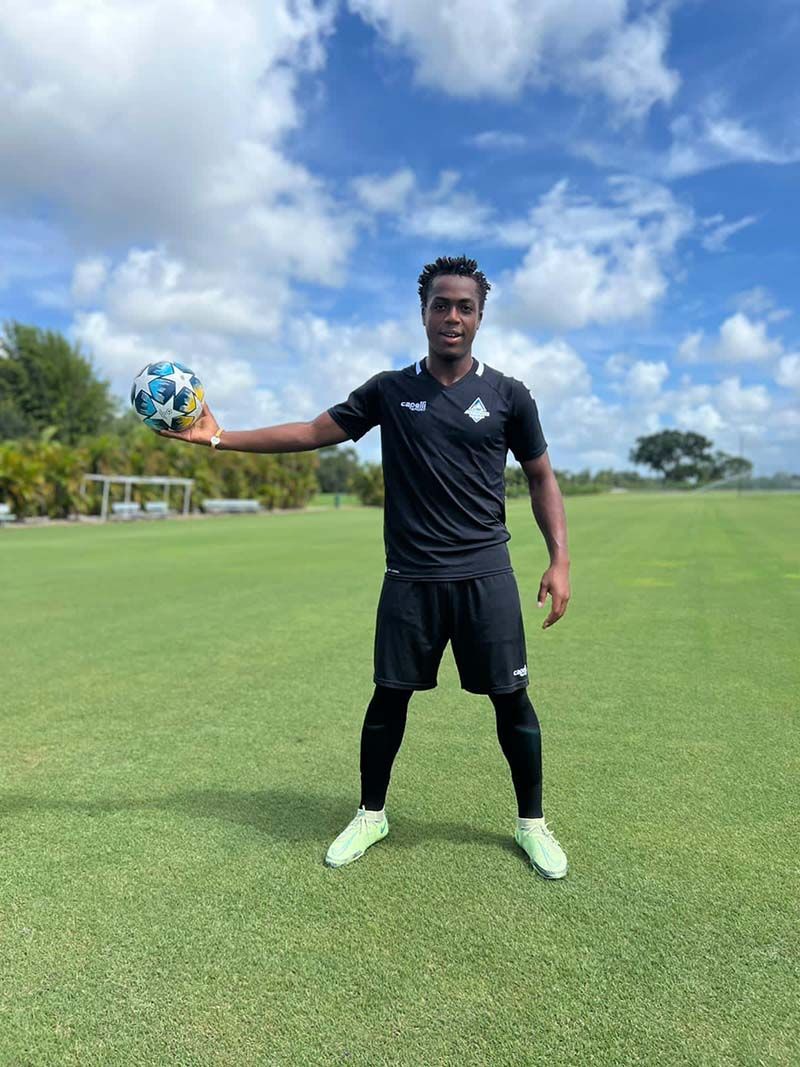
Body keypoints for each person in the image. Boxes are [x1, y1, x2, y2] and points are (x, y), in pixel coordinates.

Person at [162, 255, 571, 880]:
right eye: (441, 304)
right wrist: (217, 437)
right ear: (424, 312)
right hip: (410, 578)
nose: (452, 316)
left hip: (486, 575)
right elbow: (310, 431)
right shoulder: (390, 389)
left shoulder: (510, 395)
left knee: (511, 700)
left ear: (481, 316)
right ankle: (371, 814)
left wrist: (559, 559)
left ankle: (532, 825)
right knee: (388, 699)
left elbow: (541, 476)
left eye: (465, 307)